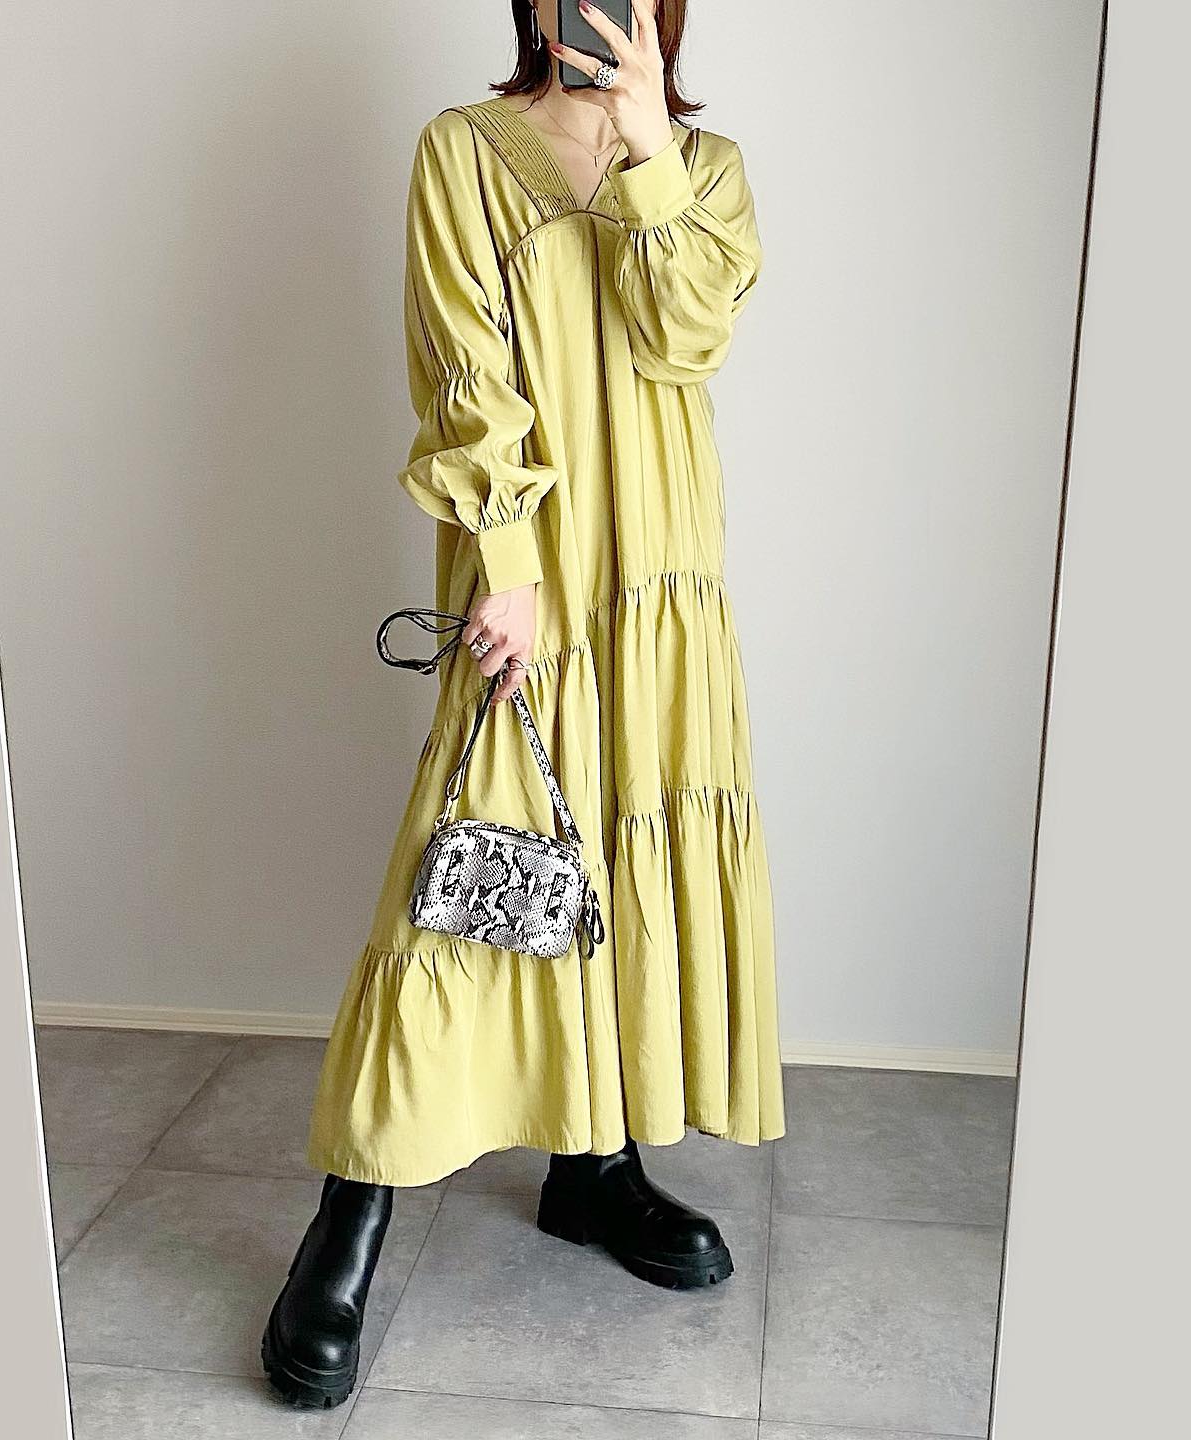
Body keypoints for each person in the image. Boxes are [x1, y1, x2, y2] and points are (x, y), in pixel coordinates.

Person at [263, 0, 785, 1408]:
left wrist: (645, 139)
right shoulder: (464, 150)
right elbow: (460, 368)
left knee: (612, 847)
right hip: (534, 571)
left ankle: (594, 1166)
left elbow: (690, 336)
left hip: (661, 574)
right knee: (464, 871)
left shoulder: (709, 170)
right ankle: (351, 1216)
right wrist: (504, 562)